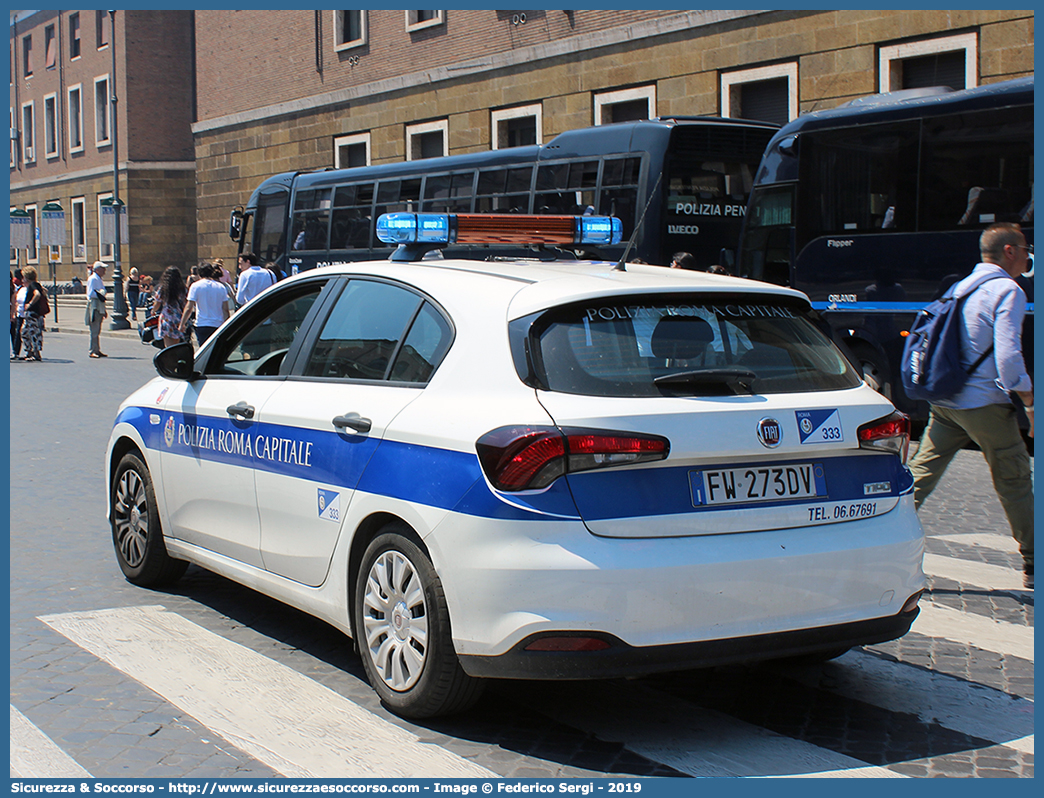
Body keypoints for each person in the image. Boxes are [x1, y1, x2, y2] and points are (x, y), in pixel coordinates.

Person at [908, 223, 1034, 589]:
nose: (1029, 255)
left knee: (921, 474)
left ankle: (872, 541)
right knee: (1013, 477)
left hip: (946, 399)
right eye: (1026, 247)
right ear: (1009, 251)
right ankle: (1034, 561)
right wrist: (1027, 396)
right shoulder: (1007, 290)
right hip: (983, 403)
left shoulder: (960, 286)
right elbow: (1009, 357)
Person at [180, 263, 229, 345]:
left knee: (204, 349)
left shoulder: (195, 286)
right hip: (217, 324)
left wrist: (182, 323)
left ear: (199, 273)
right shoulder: (221, 287)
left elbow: (189, 308)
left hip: (202, 323)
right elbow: (225, 309)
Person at [153, 266, 188, 349]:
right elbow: (186, 303)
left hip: (166, 318)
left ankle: (170, 360)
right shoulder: (183, 289)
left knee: (168, 347)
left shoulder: (163, 288)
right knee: (176, 345)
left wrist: (153, 310)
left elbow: (157, 303)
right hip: (178, 318)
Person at [18, 266, 46, 361]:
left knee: (33, 332)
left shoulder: (33, 285)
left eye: (23, 277)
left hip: (32, 313)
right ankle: (30, 351)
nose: (22, 280)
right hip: (32, 313)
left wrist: (30, 304)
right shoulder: (35, 284)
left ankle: (36, 353)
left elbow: (37, 294)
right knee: (24, 332)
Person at [85, 261, 108, 358]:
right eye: (103, 269)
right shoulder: (93, 279)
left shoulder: (98, 279)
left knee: (97, 329)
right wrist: (101, 293)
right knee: (94, 329)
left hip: (99, 304)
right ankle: (92, 350)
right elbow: (90, 294)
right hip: (94, 305)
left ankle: (97, 349)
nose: (105, 271)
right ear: (97, 269)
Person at [11, 269, 23, 360]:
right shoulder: (12, 286)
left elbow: (13, 301)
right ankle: (16, 352)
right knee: (14, 332)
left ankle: (15, 352)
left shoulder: (12, 286)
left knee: (14, 332)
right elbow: (13, 301)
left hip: (15, 312)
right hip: (14, 312)